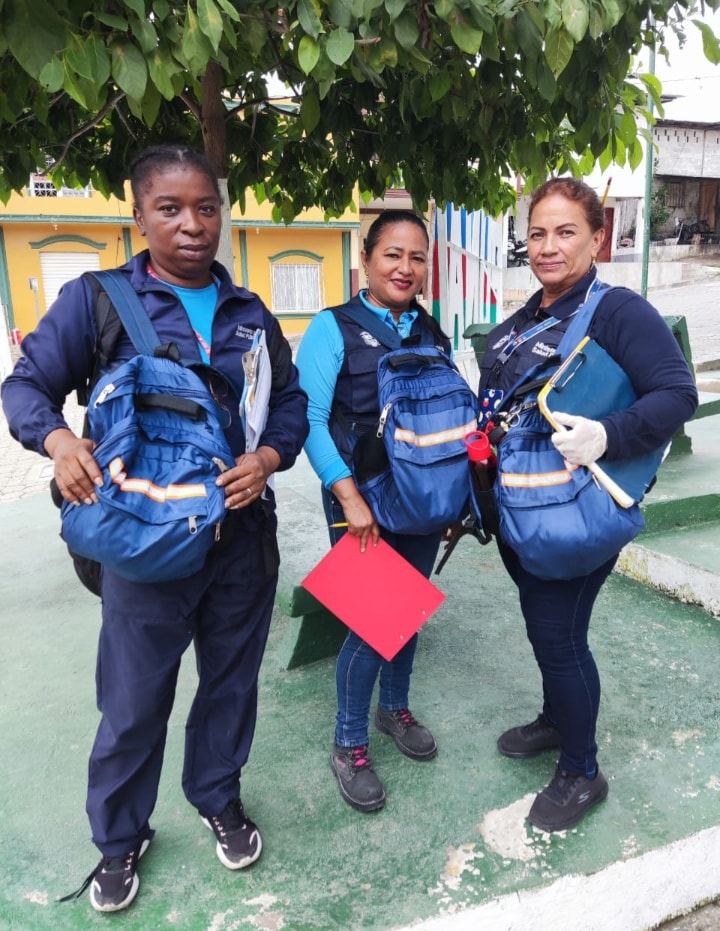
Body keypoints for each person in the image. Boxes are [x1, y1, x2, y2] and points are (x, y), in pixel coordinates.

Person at [1, 146, 308, 911]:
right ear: (138, 216)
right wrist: (59, 440)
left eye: (205, 207)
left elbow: (291, 403)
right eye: (170, 208)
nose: (191, 224)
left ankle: (217, 795)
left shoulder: (249, 313)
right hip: (144, 540)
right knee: (134, 700)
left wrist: (267, 457)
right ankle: (119, 836)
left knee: (231, 685)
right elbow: (26, 385)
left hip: (242, 539)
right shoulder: (99, 300)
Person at [478, 177, 698, 833]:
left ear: (598, 238)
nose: (548, 246)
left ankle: (581, 771)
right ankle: (557, 718)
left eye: (566, 231)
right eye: (537, 233)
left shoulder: (616, 311)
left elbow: (677, 393)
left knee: (560, 634)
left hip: (574, 507)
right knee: (543, 624)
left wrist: (608, 434)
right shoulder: (524, 319)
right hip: (522, 505)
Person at [295, 210, 448, 813]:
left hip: (420, 498)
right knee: (371, 625)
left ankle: (394, 709)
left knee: (407, 612)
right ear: (366, 259)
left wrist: (455, 495)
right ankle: (349, 743)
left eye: (417, 257)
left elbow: (445, 417)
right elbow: (309, 421)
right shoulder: (331, 327)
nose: (405, 268)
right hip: (357, 499)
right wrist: (348, 496)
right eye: (393, 254)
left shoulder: (430, 331)